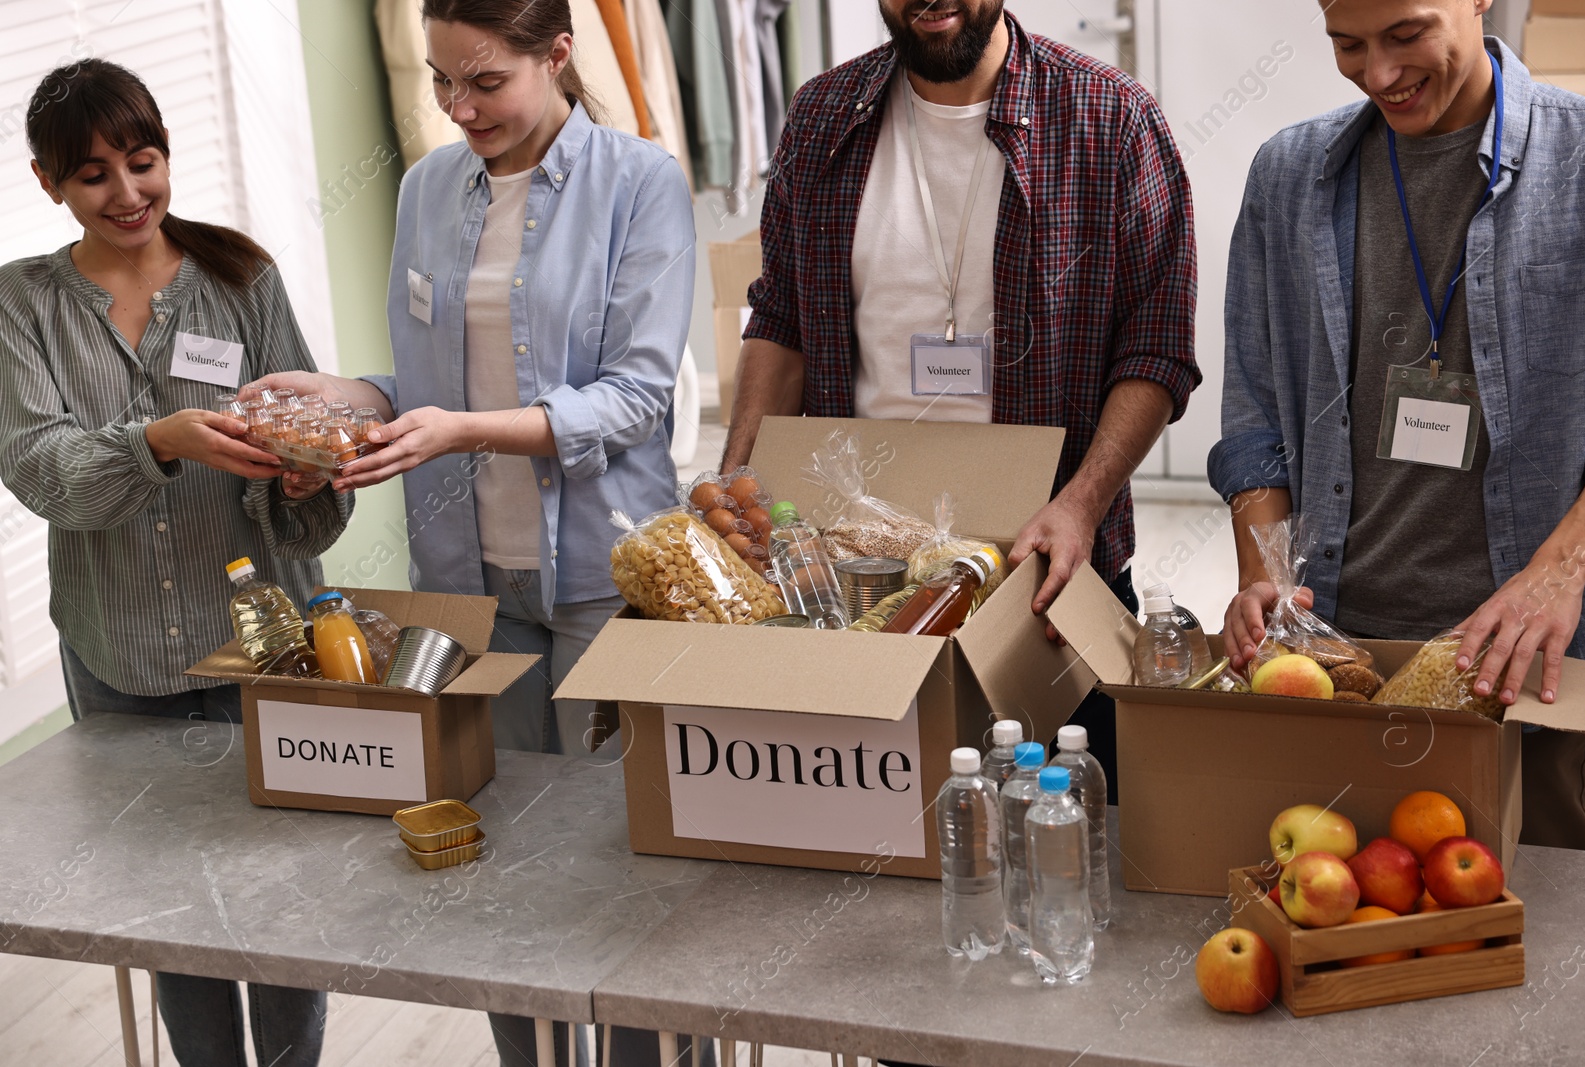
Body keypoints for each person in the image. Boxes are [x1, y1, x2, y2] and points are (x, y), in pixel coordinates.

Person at [249, 2, 697, 1062]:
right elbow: (436, 388)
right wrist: (351, 389)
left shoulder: (641, 183)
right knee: (499, 858)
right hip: (465, 583)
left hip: (604, 572)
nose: (459, 108)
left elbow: (635, 395)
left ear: (558, 54)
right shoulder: (424, 189)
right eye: (442, 81)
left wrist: (454, 428)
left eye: (486, 81)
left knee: (631, 867)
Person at [722, 0, 1200, 801]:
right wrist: (735, 475)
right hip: (860, 577)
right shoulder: (822, 117)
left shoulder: (1110, 119)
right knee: (876, 826)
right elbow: (782, 317)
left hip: (1045, 569)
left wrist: (1082, 503)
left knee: (1066, 830)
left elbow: (1156, 348)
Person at [0, 59, 352, 1067]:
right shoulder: (22, 304)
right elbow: (41, 469)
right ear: (47, 184)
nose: (126, 194)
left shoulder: (242, 281)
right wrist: (160, 439)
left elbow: (312, 486)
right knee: (171, 908)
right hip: (120, 653)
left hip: (263, 649)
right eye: (92, 175)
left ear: (166, 156)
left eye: (142, 162)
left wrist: (302, 477)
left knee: (283, 896)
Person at [1210, 0, 1585, 848]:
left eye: (1406, 35)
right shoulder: (1288, 176)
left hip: (1523, 659)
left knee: (1531, 929)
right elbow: (1252, 412)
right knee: (1342, 908)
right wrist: (1267, 578)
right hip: (1340, 658)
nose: (1378, 75)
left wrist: (1559, 569)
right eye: (1346, 45)